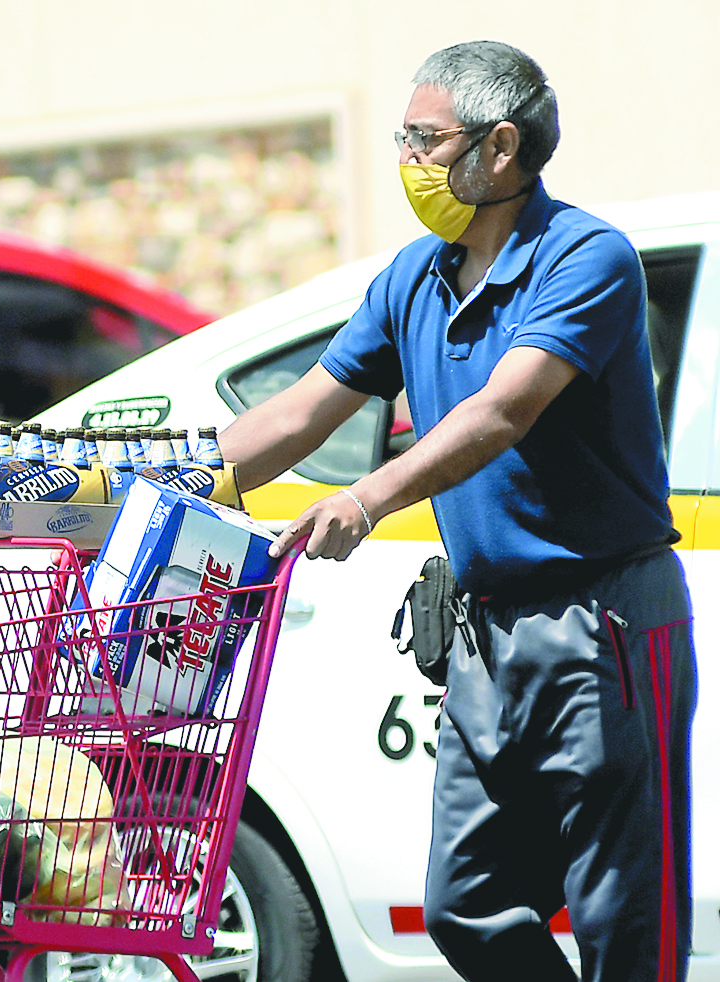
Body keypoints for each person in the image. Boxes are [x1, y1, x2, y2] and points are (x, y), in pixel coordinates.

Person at [217, 40, 696, 982]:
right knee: (464, 902)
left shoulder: (585, 258)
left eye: (425, 139)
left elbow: (502, 411)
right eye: (403, 137)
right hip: (487, 633)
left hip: (602, 620)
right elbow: (297, 414)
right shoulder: (414, 276)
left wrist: (370, 496)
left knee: (621, 919)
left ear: (502, 147)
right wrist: (159, 488)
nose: (406, 159)